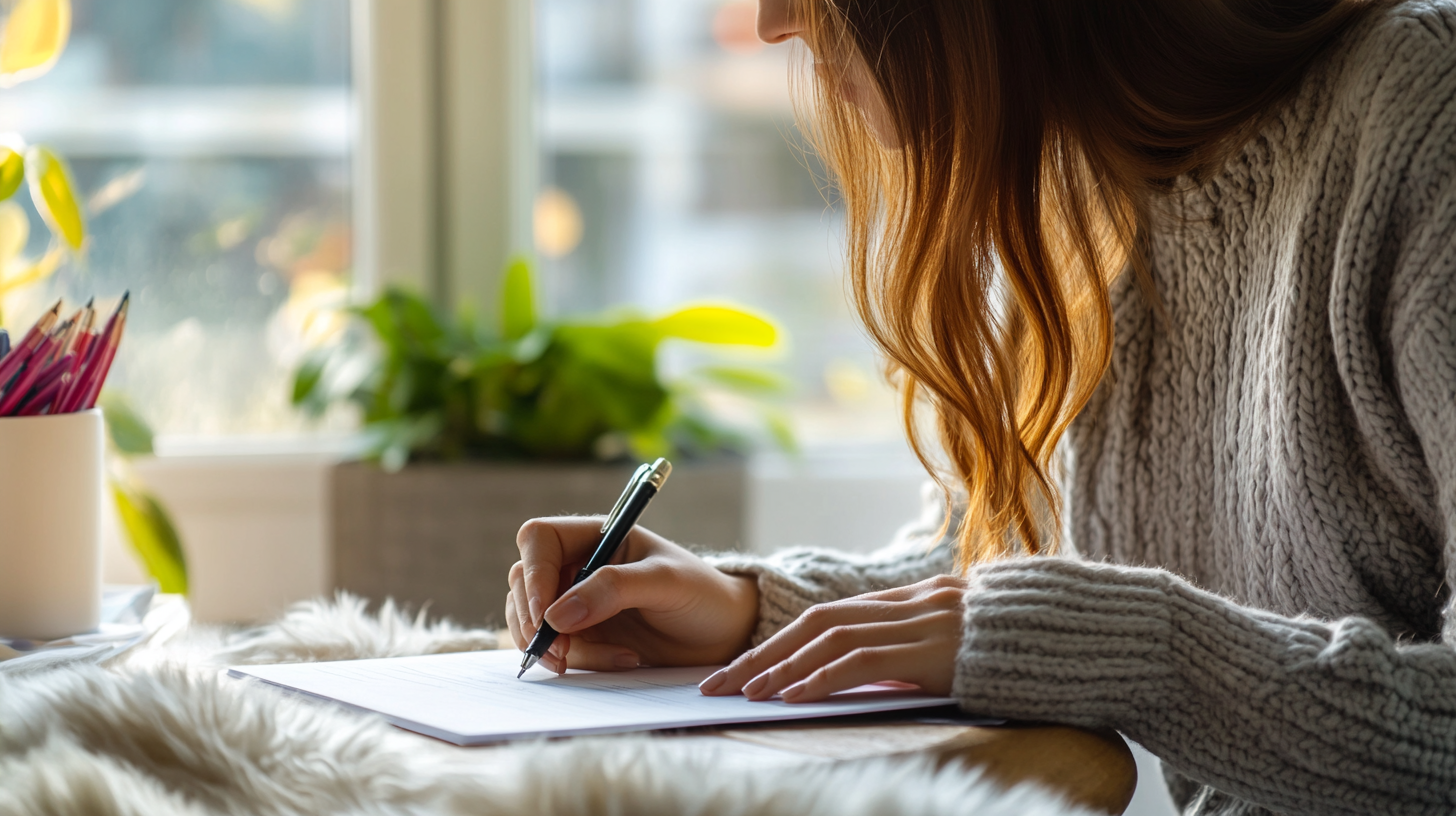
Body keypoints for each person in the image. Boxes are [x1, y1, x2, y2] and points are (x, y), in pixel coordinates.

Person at [505, 0, 1456, 812]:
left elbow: (1057, 616)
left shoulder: (1423, 115)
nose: (771, 22)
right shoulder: (1079, 189)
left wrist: (1141, 648)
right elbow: (995, 573)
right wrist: (746, 606)